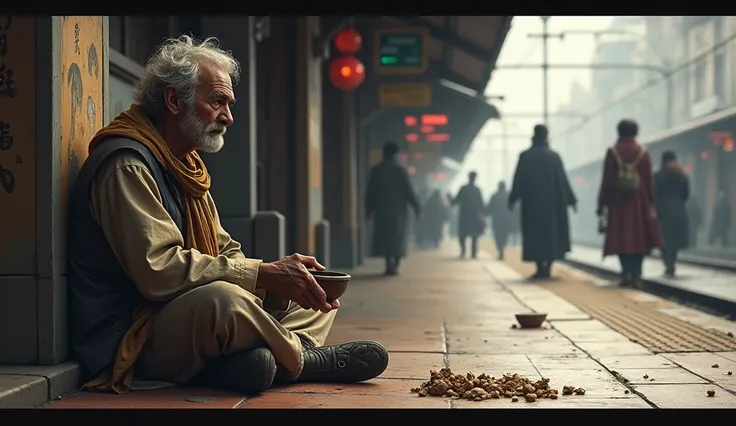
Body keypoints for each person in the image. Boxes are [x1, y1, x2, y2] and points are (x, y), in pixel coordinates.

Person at [66, 36, 389, 396]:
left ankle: (257, 360)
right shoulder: (127, 164)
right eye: (217, 101)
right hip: (133, 337)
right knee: (224, 300)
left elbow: (225, 251)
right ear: (174, 100)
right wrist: (263, 274)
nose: (229, 117)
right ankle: (303, 359)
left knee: (314, 295)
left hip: (181, 318)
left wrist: (279, 280)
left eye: (230, 104)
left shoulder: (185, 166)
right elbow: (159, 272)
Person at [596, 119, 663, 287]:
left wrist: (601, 203)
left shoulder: (613, 152)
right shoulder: (643, 152)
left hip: (618, 202)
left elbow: (607, 180)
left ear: (619, 132)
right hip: (640, 202)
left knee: (621, 237)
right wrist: (651, 203)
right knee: (639, 238)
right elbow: (648, 180)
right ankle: (637, 274)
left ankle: (625, 273)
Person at [509, 125, 577, 279]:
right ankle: (549, 267)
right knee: (552, 235)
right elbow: (563, 181)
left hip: (532, 205)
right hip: (553, 206)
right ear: (547, 136)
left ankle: (540, 267)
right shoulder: (554, 156)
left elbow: (518, 179)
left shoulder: (525, 156)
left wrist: (513, 199)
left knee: (535, 235)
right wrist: (572, 201)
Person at [365, 141, 421, 275]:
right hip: (398, 211)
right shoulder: (401, 170)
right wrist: (417, 208)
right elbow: (409, 191)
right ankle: (395, 264)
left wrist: (368, 210)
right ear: (396, 154)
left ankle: (388, 263)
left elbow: (370, 192)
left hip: (382, 210)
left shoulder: (376, 170)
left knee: (385, 238)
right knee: (397, 238)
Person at [654, 151, 690, 277]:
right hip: (678, 211)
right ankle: (671, 262)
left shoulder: (657, 176)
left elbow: (653, 194)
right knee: (674, 240)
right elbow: (686, 195)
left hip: (662, 212)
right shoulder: (681, 176)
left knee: (663, 240)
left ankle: (668, 263)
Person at [448, 171, 486, 258]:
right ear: (475, 178)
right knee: (474, 235)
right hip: (474, 217)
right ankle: (473, 253)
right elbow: (481, 204)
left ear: (468, 177)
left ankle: (463, 251)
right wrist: (483, 215)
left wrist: (450, 198)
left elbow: (455, 201)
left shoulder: (463, 189)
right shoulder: (477, 190)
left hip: (464, 216)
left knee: (462, 235)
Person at [487, 181, 514, 260]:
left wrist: (484, 214)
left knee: (497, 237)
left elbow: (490, 208)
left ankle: (500, 250)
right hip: (507, 220)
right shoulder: (509, 196)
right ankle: (502, 248)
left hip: (497, 220)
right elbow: (513, 208)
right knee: (504, 236)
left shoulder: (494, 196)